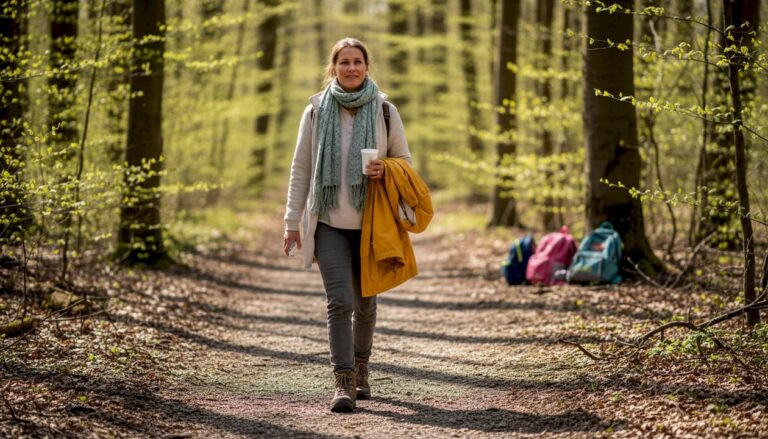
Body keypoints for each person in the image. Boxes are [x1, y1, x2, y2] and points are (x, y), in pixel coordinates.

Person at [282, 37, 412, 413]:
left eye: (358, 61)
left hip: (373, 223)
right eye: (344, 62)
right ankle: (342, 380)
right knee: (339, 302)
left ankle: (360, 367)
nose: (351, 68)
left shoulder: (386, 110)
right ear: (333, 68)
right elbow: (301, 169)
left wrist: (384, 167)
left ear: (367, 67)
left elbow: (404, 159)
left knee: (366, 304)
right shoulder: (316, 111)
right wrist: (292, 222)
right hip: (328, 223)